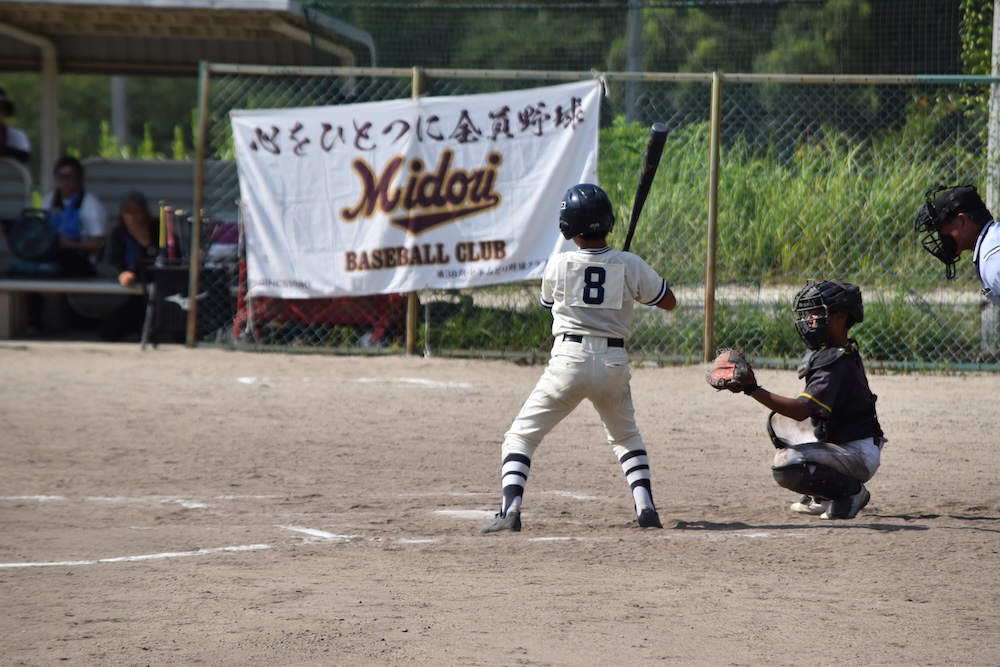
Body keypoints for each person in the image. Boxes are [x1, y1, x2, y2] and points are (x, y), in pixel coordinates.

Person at [480, 183, 677, 533]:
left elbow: (547, 303)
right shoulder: (629, 263)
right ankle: (646, 508)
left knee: (520, 437)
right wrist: (631, 277)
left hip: (568, 362)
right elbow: (668, 301)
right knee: (626, 438)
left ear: (568, 227)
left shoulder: (558, 264)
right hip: (613, 364)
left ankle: (510, 511)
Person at [740, 280, 885, 520]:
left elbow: (801, 410)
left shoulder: (837, 362)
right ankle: (822, 496)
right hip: (842, 441)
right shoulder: (833, 352)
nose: (809, 321)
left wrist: (752, 389)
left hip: (857, 452)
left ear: (840, 317)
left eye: (816, 314)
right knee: (778, 423)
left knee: (786, 464)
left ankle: (849, 493)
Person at [913, 184, 1000, 306]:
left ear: (962, 221)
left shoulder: (993, 260)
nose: (941, 237)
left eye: (941, 230)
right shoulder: (991, 245)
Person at [98, 189, 160, 341]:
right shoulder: (118, 233)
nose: (132, 217)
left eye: (137, 212)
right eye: (128, 212)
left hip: (156, 290)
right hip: (134, 290)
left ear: (145, 213)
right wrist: (122, 272)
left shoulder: (157, 229)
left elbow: (165, 261)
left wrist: (148, 245)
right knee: (108, 332)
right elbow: (112, 260)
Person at [0, 88, 30, 164]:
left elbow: (24, 158)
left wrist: (4, 151)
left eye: (0, 109)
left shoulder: (17, 136)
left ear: (6, 111)